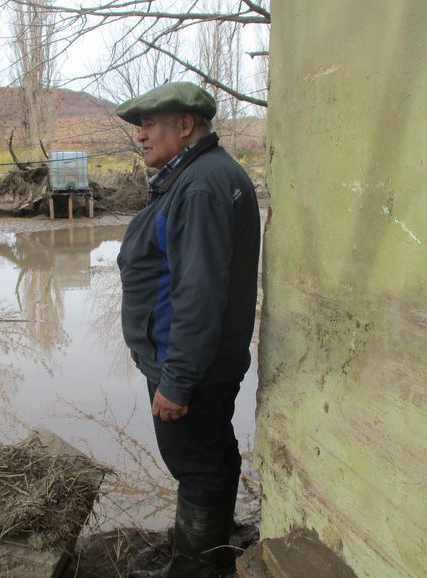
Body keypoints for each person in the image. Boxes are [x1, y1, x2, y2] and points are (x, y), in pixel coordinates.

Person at [116, 82, 260, 578]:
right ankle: (219, 547)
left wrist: (176, 380)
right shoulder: (202, 175)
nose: (141, 135)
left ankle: (195, 570)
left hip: (188, 364)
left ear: (186, 126)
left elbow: (197, 293)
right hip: (208, 360)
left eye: (150, 124)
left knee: (196, 467)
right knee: (214, 453)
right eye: (139, 126)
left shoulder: (199, 186)